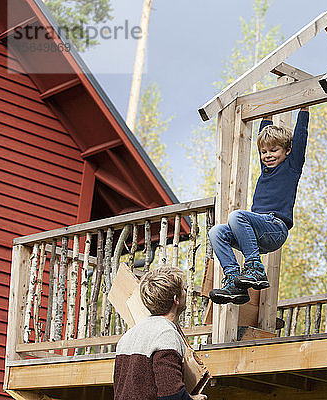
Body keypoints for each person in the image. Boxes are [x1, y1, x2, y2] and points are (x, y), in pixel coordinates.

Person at [208, 107, 310, 304]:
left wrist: (304, 109)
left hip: (275, 228)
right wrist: (266, 114)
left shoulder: (291, 166)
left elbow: (300, 138)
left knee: (236, 216)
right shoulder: (265, 169)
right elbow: (263, 136)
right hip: (256, 234)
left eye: (274, 150)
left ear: (288, 151)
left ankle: (255, 268)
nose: (268, 155)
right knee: (216, 232)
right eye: (264, 152)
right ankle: (235, 283)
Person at [114, 266, 207, 400]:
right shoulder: (166, 334)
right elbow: (171, 396)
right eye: (183, 290)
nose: (186, 293)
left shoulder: (128, 336)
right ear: (176, 299)